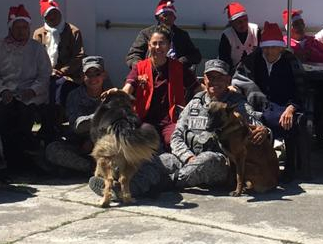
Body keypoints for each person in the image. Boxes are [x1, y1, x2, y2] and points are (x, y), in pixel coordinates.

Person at [160, 59, 257, 190]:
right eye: (211, 77)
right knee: (161, 161)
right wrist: (187, 156)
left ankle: (166, 184)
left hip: (218, 163)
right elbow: (177, 135)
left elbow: (257, 126)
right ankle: (130, 189)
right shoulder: (194, 102)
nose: (215, 82)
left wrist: (264, 131)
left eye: (220, 77)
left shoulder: (237, 104)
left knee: (206, 160)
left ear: (228, 80)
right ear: (204, 80)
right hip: (189, 157)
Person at [0, 5, 51, 170]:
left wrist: (32, 90)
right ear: (10, 28)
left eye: (25, 27)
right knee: (0, 117)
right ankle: (1, 159)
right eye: (18, 28)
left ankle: (22, 161)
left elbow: (44, 75)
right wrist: (2, 90)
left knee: (24, 116)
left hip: (29, 93)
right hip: (4, 93)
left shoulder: (37, 48)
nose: (22, 31)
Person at [238, 22, 302, 150]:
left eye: (273, 47)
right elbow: (239, 77)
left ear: (280, 48)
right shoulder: (253, 60)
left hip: (283, 105)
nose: (268, 51)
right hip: (257, 103)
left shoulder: (291, 62)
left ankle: (289, 162)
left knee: (287, 123)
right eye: (266, 47)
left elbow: (301, 89)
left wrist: (291, 108)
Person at [42, 55, 110, 175]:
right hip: (78, 144)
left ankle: (90, 170)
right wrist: (103, 115)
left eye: (97, 73)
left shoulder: (112, 96)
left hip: (104, 144)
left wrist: (92, 139)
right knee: (52, 150)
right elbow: (77, 125)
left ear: (104, 75)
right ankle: (92, 169)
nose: (93, 78)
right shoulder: (74, 96)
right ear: (82, 77)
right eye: (88, 74)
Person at [123, 27, 189, 146]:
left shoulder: (179, 67)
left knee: (174, 141)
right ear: (149, 46)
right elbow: (127, 89)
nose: (158, 47)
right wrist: (117, 94)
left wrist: (225, 90)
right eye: (154, 43)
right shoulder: (139, 67)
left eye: (162, 43)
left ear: (169, 46)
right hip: (145, 120)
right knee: (144, 142)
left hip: (171, 121)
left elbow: (198, 87)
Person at [31, 0, 86, 102]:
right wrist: (49, 71)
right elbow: (34, 57)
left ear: (60, 13)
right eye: (48, 15)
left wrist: (62, 71)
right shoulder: (39, 34)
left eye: (55, 13)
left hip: (69, 75)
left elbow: (79, 56)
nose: (52, 17)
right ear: (44, 18)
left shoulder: (73, 31)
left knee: (62, 88)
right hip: (44, 74)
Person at [126, 0, 203, 71]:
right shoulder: (146, 33)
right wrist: (141, 67)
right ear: (157, 18)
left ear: (174, 18)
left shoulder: (182, 35)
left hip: (177, 71)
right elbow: (133, 55)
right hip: (151, 71)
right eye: (164, 15)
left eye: (170, 15)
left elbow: (196, 55)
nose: (167, 18)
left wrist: (181, 62)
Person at [217, 2, 259, 70]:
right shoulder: (227, 35)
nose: (243, 24)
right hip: (233, 70)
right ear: (232, 23)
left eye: (245, 20)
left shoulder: (255, 30)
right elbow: (224, 59)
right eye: (239, 22)